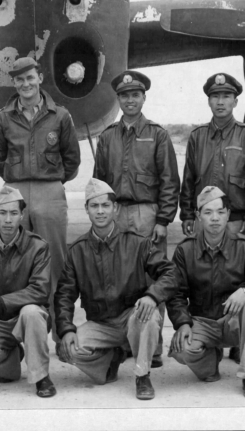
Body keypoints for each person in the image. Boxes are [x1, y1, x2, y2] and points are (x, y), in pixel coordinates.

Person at [55, 179, 177, 401]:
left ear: (115, 208)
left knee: (148, 316)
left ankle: (142, 375)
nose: (100, 211)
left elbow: (170, 273)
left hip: (132, 318)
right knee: (68, 350)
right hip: (101, 324)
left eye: (105, 205)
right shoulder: (77, 251)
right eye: (94, 206)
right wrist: (66, 329)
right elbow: (64, 295)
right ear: (86, 210)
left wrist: (152, 296)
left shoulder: (138, 243)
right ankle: (112, 356)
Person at [93, 69, 180, 368]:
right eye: (124, 95)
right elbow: (100, 183)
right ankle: (127, 340)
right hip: (116, 214)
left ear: (143, 97)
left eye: (135, 95)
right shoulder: (107, 138)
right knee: (119, 275)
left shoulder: (157, 134)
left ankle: (153, 348)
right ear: (117, 99)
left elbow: (170, 180)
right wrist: (103, 217)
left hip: (147, 212)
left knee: (152, 275)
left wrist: (163, 220)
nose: (130, 100)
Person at [180, 72, 245, 363]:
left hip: (237, 219)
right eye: (215, 97)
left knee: (239, 280)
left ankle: (238, 342)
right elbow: (189, 178)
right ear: (209, 101)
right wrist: (186, 214)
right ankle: (211, 337)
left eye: (226, 96)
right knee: (207, 278)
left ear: (235, 100)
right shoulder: (197, 137)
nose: (221, 102)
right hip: (206, 219)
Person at [0, 57, 81, 319]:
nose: (25, 83)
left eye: (30, 77)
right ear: (14, 83)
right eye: (19, 79)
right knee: (15, 258)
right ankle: (20, 324)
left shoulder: (60, 115)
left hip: (50, 191)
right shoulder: (4, 117)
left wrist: (52, 181)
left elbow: (72, 158)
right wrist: (17, 180)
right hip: (16, 192)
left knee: (54, 259)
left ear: (40, 78)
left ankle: (59, 324)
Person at [168, 186, 245, 398]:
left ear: (228, 214)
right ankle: (209, 361)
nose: (215, 218)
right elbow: (176, 293)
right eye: (208, 212)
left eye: (220, 212)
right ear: (198, 216)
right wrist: (183, 323)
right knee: (180, 349)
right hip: (202, 321)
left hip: (233, 322)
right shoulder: (185, 250)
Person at [0, 185, 55, 397]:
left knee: (31, 312)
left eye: (14, 213)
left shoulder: (38, 247)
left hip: (29, 319)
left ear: (22, 215)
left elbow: (40, 290)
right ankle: (12, 361)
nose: (8, 220)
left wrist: (0, 303)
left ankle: (41, 377)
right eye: (3, 212)